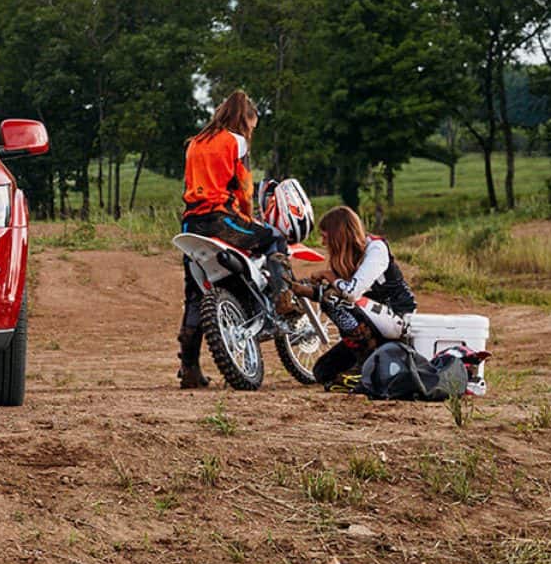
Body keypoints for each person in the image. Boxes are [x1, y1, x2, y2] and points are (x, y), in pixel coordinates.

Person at [175, 91, 293, 388]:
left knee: (195, 294)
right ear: (245, 119)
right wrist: (252, 219)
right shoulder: (236, 141)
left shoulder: (194, 143)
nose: (251, 131)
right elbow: (244, 189)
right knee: (274, 238)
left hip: (191, 224)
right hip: (220, 219)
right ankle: (283, 300)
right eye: (252, 126)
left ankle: (189, 368)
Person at [294, 206, 417, 390]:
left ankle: (365, 363)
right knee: (323, 372)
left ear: (338, 236)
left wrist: (329, 276)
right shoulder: (348, 257)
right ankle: (366, 359)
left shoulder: (376, 249)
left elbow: (351, 293)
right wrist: (299, 290)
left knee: (333, 299)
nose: (323, 242)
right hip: (373, 323)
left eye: (326, 237)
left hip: (398, 318)